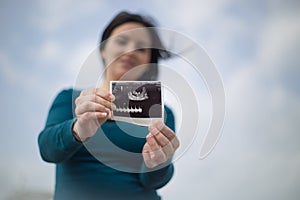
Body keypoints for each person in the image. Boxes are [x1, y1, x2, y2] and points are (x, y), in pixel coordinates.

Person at [38, 11, 180, 200]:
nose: (130, 51)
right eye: (122, 41)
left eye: (141, 48)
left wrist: (160, 162)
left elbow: (153, 181)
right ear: (103, 49)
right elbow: (48, 150)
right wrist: (78, 128)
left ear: (148, 62)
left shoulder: (161, 113)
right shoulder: (69, 99)